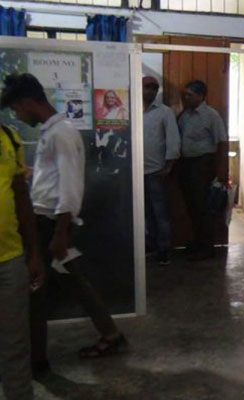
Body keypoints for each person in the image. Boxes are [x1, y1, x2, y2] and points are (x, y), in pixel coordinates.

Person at [0, 74, 127, 376]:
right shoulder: (53, 131)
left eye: (16, 109)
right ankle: (110, 334)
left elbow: (70, 187)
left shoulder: (62, 133)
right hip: (48, 221)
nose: (17, 116)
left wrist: (59, 233)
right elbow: (56, 177)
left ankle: (36, 361)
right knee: (72, 282)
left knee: (36, 290)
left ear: (27, 102)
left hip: (51, 224)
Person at [0, 123, 44, 400]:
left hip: (10, 259)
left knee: (15, 343)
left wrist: (34, 252)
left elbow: (21, 197)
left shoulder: (8, 137)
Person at [177, 80, 228, 261]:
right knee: (191, 206)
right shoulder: (185, 115)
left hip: (202, 165)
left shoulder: (211, 115)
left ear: (201, 96)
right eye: (185, 94)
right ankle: (198, 242)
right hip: (186, 165)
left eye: (190, 95)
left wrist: (222, 171)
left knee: (203, 207)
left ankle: (207, 248)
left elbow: (222, 142)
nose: (186, 97)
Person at [142, 76, 180, 265]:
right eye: (146, 87)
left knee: (160, 213)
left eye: (154, 88)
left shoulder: (165, 112)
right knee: (146, 214)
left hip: (157, 172)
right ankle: (152, 247)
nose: (150, 91)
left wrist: (168, 167)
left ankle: (164, 250)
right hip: (135, 174)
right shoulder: (129, 111)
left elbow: (173, 140)